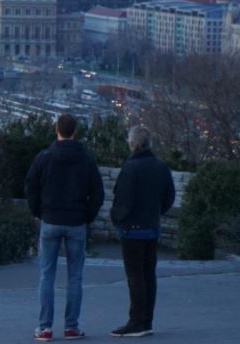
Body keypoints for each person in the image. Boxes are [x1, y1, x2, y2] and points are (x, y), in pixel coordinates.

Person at [25, 113, 105, 342]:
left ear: (56, 130)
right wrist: (87, 216)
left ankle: (45, 327)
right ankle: (71, 327)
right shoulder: (86, 160)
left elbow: (30, 186)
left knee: (46, 275)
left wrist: (38, 212)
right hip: (76, 222)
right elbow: (98, 193)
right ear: (75, 132)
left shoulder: (44, 157)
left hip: (50, 220)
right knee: (75, 277)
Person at [110, 124, 176, 338]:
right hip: (152, 227)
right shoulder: (160, 166)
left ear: (132, 144)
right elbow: (168, 197)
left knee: (135, 276)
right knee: (148, 275)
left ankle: (136, 321)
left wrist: (117, 218)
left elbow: (123, 200)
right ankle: (146, 320)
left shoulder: (131, 168)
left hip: (132, 230)